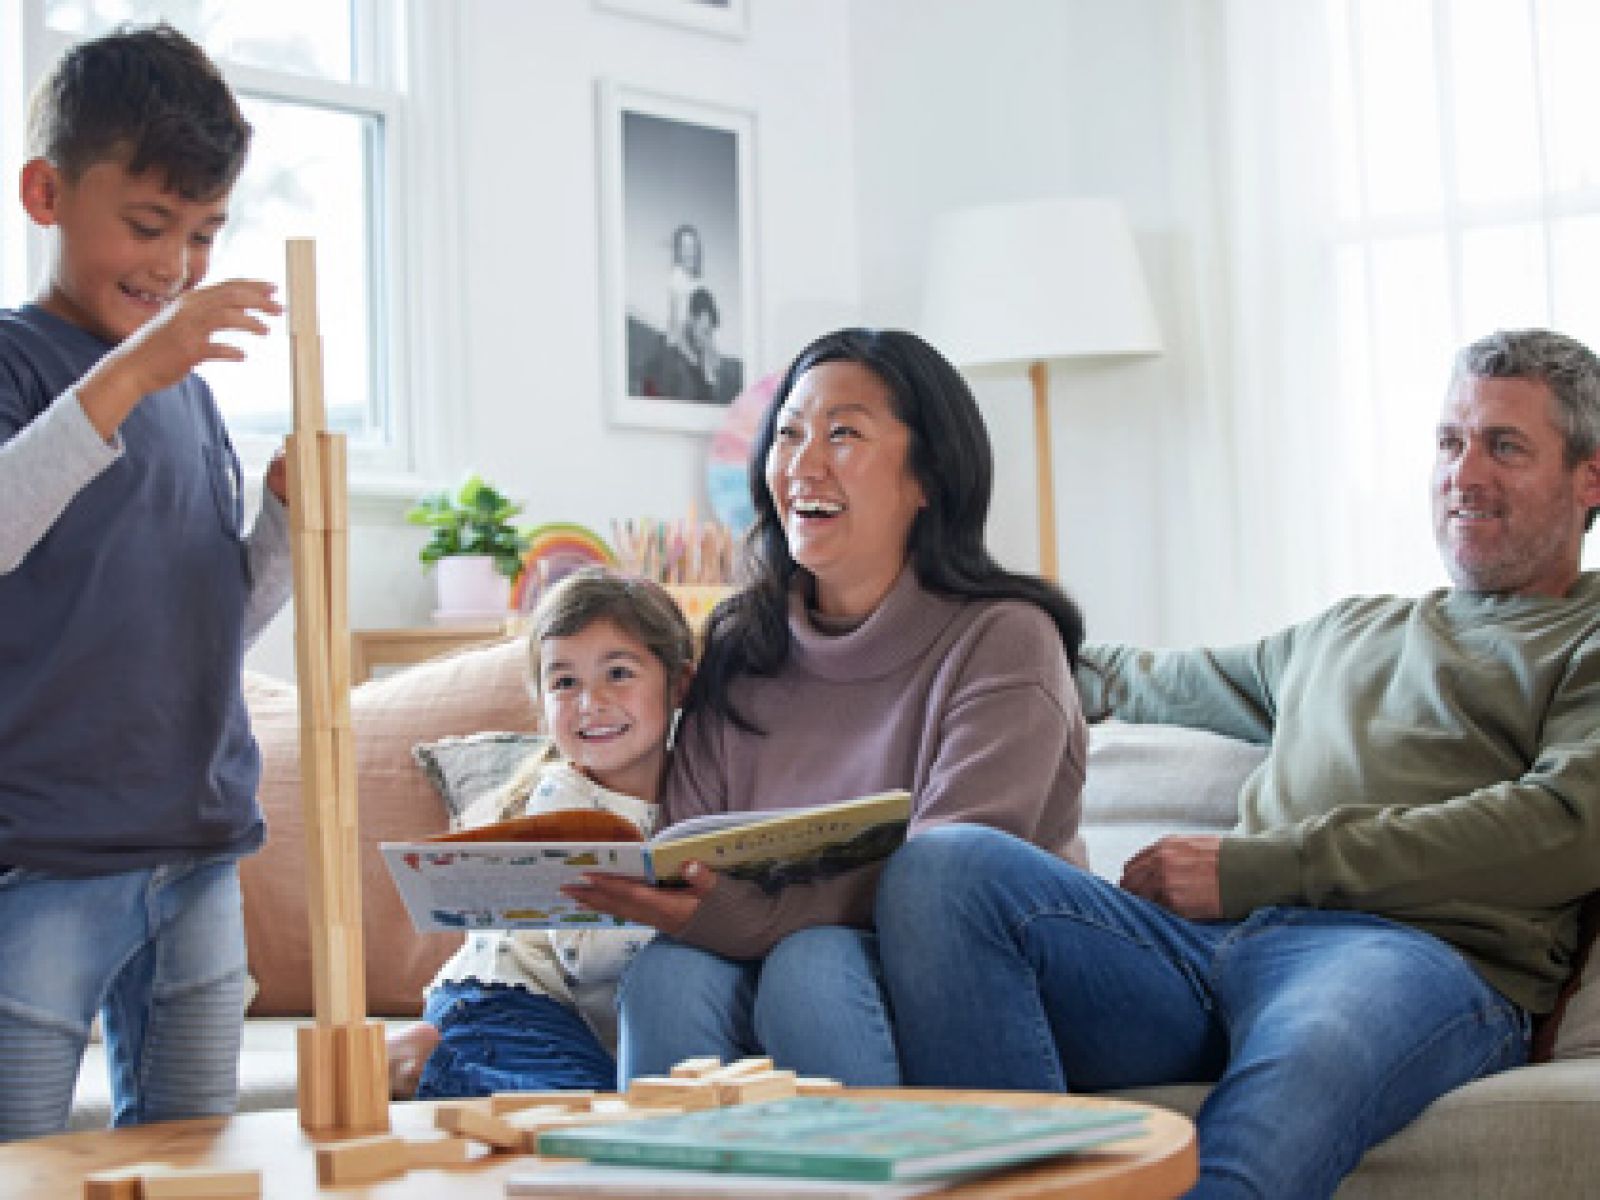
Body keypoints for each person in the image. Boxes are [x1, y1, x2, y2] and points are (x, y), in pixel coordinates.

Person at [873, 328, 1600, 1198]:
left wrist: (1253, 868)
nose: (1463, 474)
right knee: (944, 869)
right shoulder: (1347, 630)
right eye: (1450, 441)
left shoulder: (1585, 638)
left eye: (1504, 446)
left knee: (1267, 1120)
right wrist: (927, 640)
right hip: (1199, 951)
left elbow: (1563, 828)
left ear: (1590, 478)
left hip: (1412, 961)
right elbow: (1133, 678)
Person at [567, 328, 1090, 1086]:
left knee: (810, 967)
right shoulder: (740, 644)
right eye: (788, 435)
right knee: (668, 975)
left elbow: (946, 893)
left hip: (968, 983)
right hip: (777, 956)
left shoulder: (1004, 640)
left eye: (843, 434)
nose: (803, 465)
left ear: (929, 476)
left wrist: (758, 918)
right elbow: (691, 855)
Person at [0, 24, 291, 1139]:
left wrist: (284, 525)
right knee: (21, 1159)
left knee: (195, 1157)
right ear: (46, 194)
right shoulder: (20, 361)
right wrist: (131, 373)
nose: (174, 266)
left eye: (204, 233)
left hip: (199, 848)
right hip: (42, 856)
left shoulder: (189, 399)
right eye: (148, 224)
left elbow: (214, 621)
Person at [387, 568, 694, 1099]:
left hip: (566, 1021)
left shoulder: (697, 786)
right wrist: (691, 914)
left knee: (606, 1101)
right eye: (565, 682)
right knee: (578, 1112)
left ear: (679, 684)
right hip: (506, 997)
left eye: (618, 673)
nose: (590, 702)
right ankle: (422, 1064)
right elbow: (583, 953)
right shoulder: (564, 798)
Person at [642, 286, 722, 406]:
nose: (707, 341)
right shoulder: (668, 354)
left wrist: (709, 379)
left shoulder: (701, 359)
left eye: (710, 334)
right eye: (705, 332)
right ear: (691, 319)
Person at [663, 223, 705, 354]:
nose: (689, 252)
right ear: (679, 251)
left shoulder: (692, 281)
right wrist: (693, 359)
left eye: (692, 246)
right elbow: (675, 327)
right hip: (679, 353)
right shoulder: (677, 278)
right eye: (684, 247)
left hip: (688, 350)